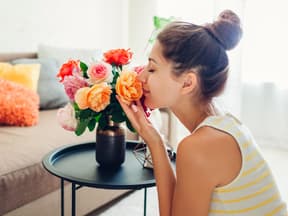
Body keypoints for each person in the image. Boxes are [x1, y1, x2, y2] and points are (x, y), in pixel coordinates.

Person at [117, 10, 287, 216]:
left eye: (152, 69)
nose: (141, 76)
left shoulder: (200, 147)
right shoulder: (225, 122)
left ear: (188, 82)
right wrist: (154, 140)